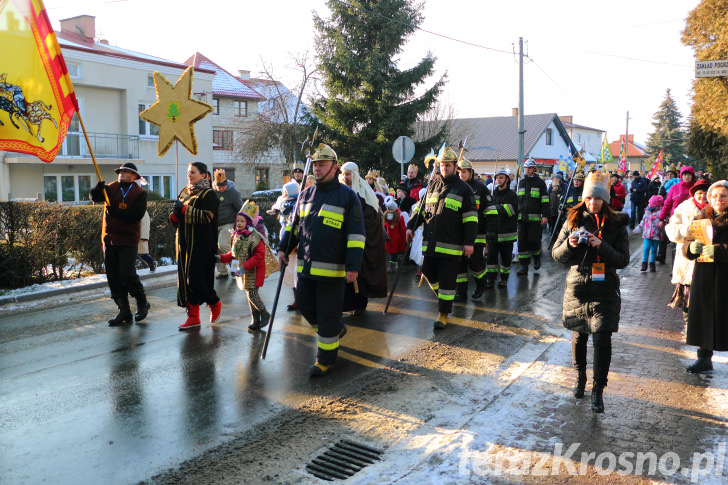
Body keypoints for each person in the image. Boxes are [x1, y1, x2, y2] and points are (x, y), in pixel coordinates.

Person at [277, 144, 365, 376]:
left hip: (333, 271)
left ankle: (325, 359)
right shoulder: (305, 195)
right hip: (306, 268)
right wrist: (283, 248)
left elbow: (356, 235)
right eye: (314, 165)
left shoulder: (348, 196)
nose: (317, 169)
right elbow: (293, 227)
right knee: (305, 306)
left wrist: (354, 266)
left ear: (334, 167)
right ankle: (334, 330)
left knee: (326, 314)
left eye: (322, 164)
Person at [551, 170, 630, 413]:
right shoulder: (572, 220)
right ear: (583, 199)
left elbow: (623, 260)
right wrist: (570, 244)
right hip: (577, 287)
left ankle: (598, 390)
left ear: (605, 200)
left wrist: (601, 245)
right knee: (579, 336)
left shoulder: (616, 224)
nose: (592, 203)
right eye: (588, 199)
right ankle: (580, 379)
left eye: (597, 199)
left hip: (604, 288)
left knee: (602, 338)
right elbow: (555, 254)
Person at [406, 147, 477, 329]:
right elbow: (421, 211)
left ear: (455, 166)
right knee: (428, 272)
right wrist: (410, 227)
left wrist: (469, 243)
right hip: (431, 243)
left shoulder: (465, 190)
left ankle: (443, 314)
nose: (444, 168)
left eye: (448, 165)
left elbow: (470, 218)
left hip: (452, 246)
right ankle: (446, 300)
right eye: (442, 165)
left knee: (446, 281)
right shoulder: (433, 186)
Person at [90, 162, 150, 326]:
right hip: (110, 239)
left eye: (126, 172)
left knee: (127, 275)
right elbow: (95, 198)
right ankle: (123, 310)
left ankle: (142, 302)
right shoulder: (111, 188)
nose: (122, 174)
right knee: (113, 277)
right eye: (121, 171)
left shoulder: (140, 193)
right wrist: (98, 188)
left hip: (128, 240)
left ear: (135, 176)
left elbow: (136, 215)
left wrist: (115, 211)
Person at [682, 180, 728, 373]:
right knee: (705, 316)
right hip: (703, 275)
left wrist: (718, 250)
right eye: (715, 195)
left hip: (725, 276)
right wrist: (690, 249)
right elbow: (687, 242)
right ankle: (704, 358)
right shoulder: (701, 218)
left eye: (724, 195)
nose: (719, 199)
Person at [171, 162, 222, 330]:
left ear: (203, 175)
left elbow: (207, 217)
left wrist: (184, 210)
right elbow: (176, 220)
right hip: (185, 243)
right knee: (185, 282)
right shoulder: (184, 192)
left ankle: (214, 302)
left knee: (195, 280)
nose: (189, 175)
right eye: (188, 172)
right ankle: (193, 317)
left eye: (193, 172)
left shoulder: (210, 194)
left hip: (202, 244)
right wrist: (175, 215)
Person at [339, 162, 388, 315]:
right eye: (343, 174)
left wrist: (353, 227)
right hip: (341, 243)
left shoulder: (364, 194)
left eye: (348, 174)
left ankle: (359, 305)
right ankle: (343, 306)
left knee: (359, 275)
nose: (345, 177)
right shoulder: (339, 192)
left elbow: (371, 219)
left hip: (360, 243)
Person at [665, 178, 711, 327]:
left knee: (706, 298)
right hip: (687, 260)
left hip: (709, 258)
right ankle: (689, 327)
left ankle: (703, 329)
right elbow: (671, 229)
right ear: (694, 194)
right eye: (699, 192)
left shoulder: (716, 209)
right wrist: (688, 230)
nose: (702, 196)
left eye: (705, 192)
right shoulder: (684, 208)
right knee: (687, 298)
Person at [217, 211, 271, 331]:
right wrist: (221, 258)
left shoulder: (255, 236)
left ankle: (264, 313)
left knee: (252, 294)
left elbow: (259, 256)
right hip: (244, 271)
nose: (239, 223)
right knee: (249, 295)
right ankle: (255, 320)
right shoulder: (237, 235)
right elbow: (233, 253)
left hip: (254, 270)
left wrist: (244, 267)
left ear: (248, 222)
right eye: (238, 221)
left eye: (242, 221)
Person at [456, 157, 491, 299]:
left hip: (478, 233)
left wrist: (490, 232)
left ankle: (480, 284)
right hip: (459, 234)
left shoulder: (481, 188)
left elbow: (490, 212)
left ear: (471, 172)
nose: (461, 175)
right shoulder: (455, 187)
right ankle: (462, 292)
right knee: (460, 265)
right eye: (459, 172)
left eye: (464, 172)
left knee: (475, 262)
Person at [483, 168, 518, 289]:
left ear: (507, 179)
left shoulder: (512, 195)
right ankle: (490, 279)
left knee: (506, 259)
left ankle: (503, 279)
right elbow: (487, 211)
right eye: (497, 178)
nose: (499, 180)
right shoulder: (492, 194)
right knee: (491, 259)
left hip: (507, 234)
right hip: (493, 233)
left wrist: (495, 207)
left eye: (501, 177)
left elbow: (510, 210)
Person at [269, 181, 301, 310]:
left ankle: (301, 299)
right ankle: (296, 300)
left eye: (286, 191)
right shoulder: (284, 201)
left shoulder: (297, 203)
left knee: (296, 272)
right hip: (285, 237)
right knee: (289, 272)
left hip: (295, 241)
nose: (284, 193)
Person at [516, 158, 549, 275]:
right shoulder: (522, 182)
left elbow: (545, 200)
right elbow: (518, 201)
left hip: (534, 219)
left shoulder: (540, 183)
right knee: (522, 242)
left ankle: (536, 258)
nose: (527, 170)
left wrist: (545, 215)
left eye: (529, 168)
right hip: (522, 219)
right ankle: (523, 265)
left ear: (534, 169)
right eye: (526, 168)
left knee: (533, 241)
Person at [658, 166, 695, 264]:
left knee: (690, 246)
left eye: (689, 175)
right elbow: (667, 204)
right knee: (676, 245)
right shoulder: (674, 188)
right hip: (677, 221)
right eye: (685, 175)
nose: (687, 177)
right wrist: (661, 218)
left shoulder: (695, 189)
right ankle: (675, 268)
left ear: (693, 176)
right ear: (681, 176)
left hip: (692, 221)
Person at [212, 168, 243, 279]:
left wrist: (239, 224)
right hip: (215, 224)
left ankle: (234, 267)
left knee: (223, 245)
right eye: (219, 187)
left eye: (223, 186)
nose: (221, 189)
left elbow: (240, 209)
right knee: (217, 248)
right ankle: (222, 272)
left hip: (228, 223)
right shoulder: (213, 192)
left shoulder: (233, 193)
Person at [634, 195, 663, 272]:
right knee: (646, 248)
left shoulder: (660, 213)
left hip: (656, 235)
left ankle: (652, 264)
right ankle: (644, 264)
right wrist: (637, 230)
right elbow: (642, 223)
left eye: (650, 203)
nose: (648, 204)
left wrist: (662, 224)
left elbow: (663, 221)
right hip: (646, 235)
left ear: (655, 204)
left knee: (654, 250)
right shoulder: (646, 212)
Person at [384, 198, 407, 273]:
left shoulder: (399, 218)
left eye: (391, 210)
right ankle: (397, 259)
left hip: (396, 239)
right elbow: (384, 227)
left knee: (393, 253)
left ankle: (392, 266)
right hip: (389, 239)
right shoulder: (386, 217)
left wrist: (404, 239)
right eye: (388, 209)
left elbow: (403, 229)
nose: (389, 211)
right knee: (392, 252)